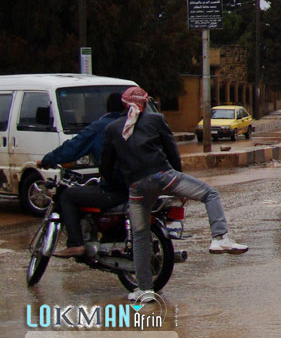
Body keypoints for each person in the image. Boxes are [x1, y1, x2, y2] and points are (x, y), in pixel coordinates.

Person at [102, 87, 248, 303]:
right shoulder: (155, 120)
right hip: (163, 177)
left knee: (140, 237)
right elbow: (172, 151)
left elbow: (106, 166)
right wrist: (179, 184)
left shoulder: (113, 128)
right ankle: (219, 238)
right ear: (145, 103)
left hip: (136, 188)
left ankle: (145, 290)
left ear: (124, 105)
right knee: (210, 193)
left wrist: (121, 184)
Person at [37, 93, 126, 258]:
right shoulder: (136, 124)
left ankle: (76, 244)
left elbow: (73, 148)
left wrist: (47, 160)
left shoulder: (101, 127)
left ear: (107, 109)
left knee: (68, 196)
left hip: (116, 189)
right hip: (142, 186)